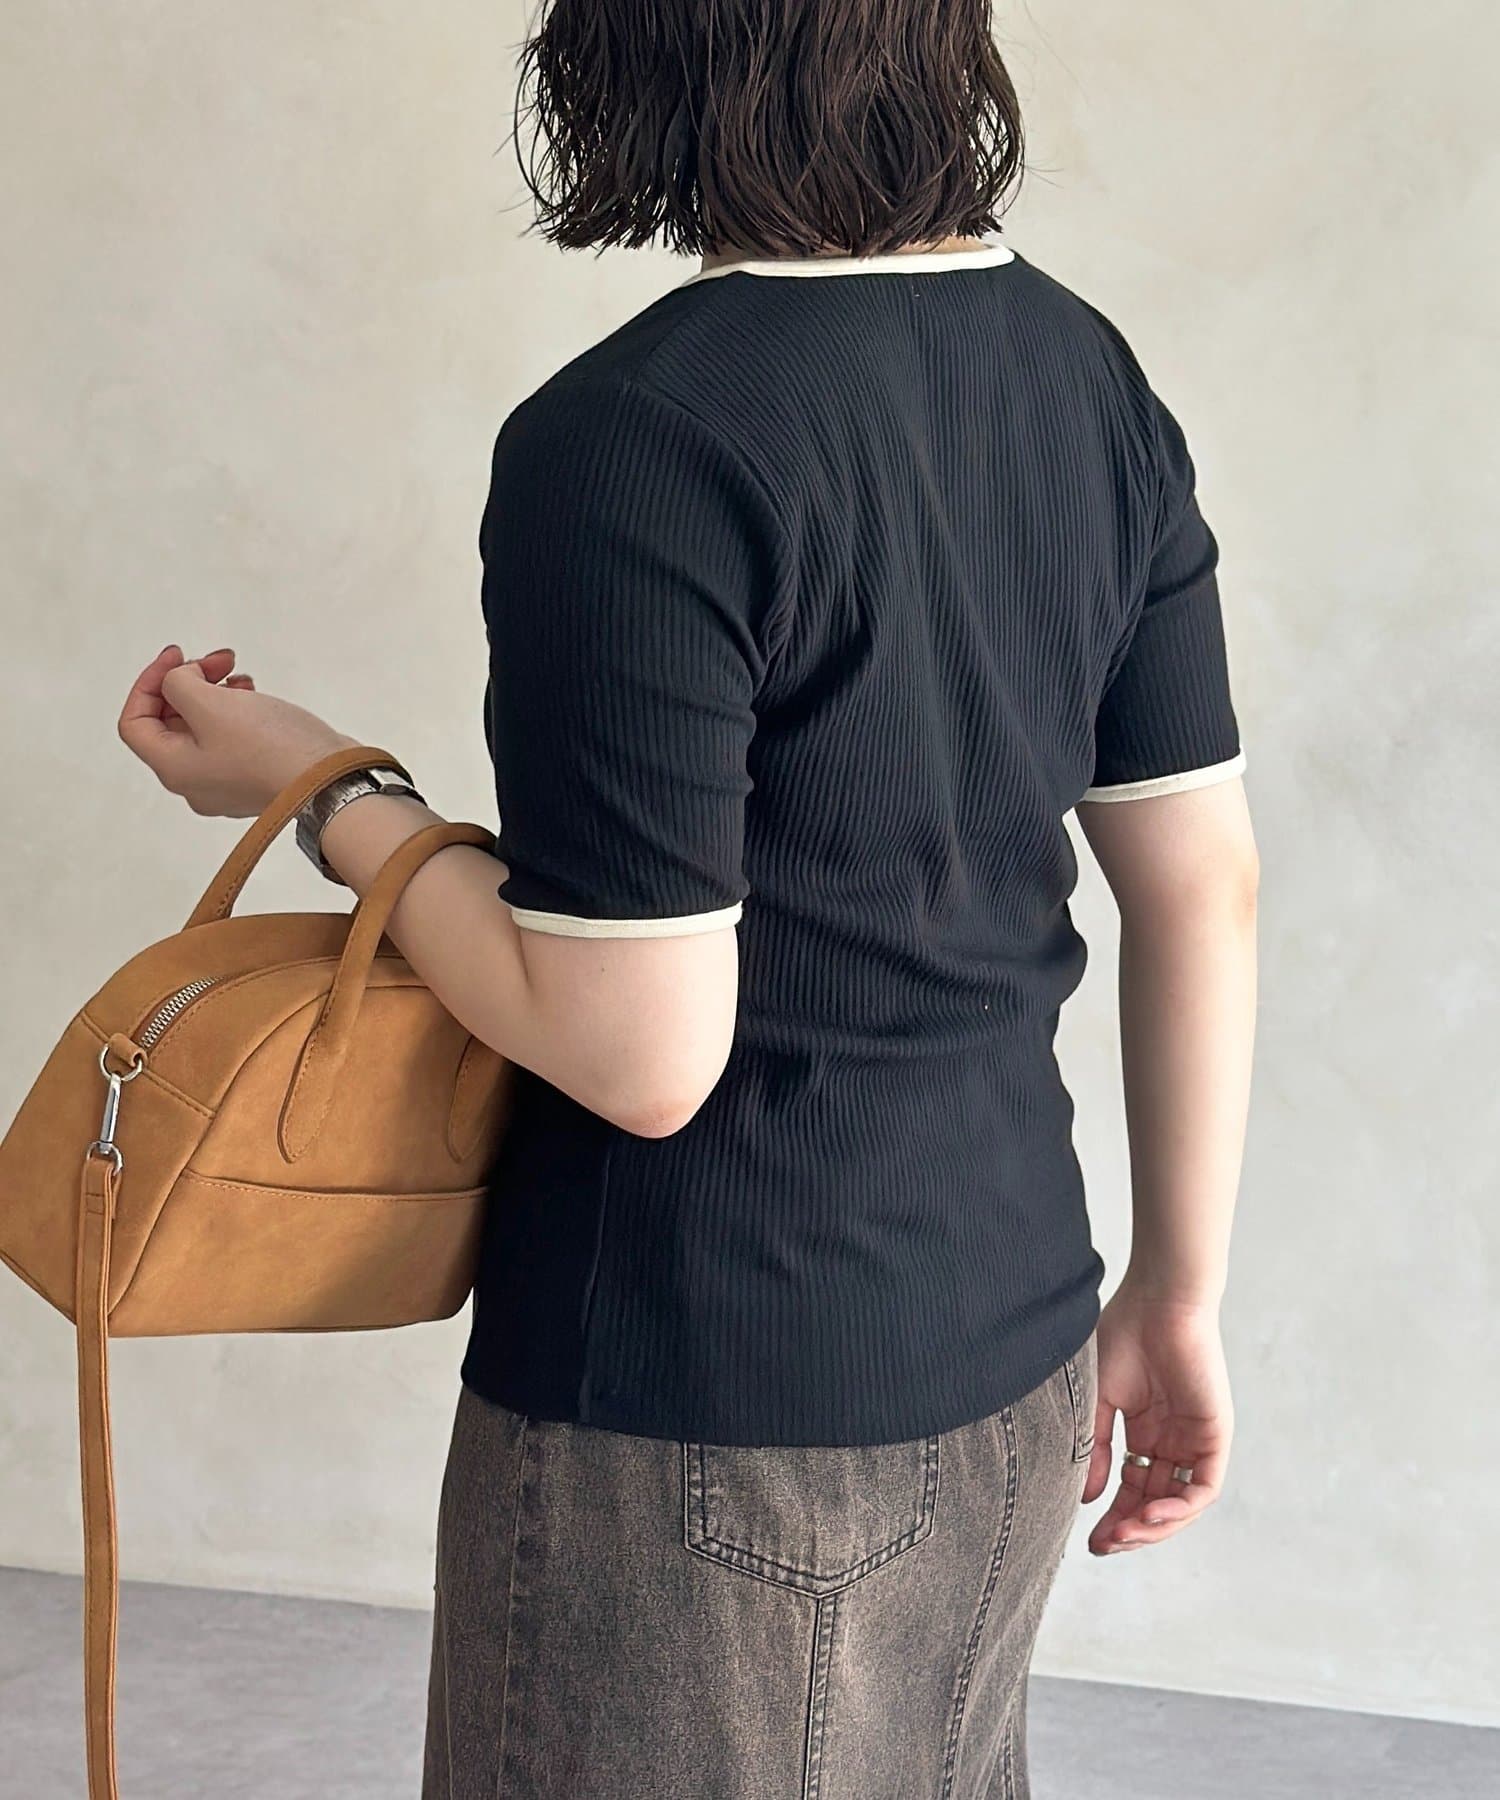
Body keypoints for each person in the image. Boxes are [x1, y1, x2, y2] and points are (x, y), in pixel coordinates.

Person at [117, 0, 1258, 1793]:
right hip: (1021, 1350)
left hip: (707, 1410)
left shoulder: (633, 436)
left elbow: (640, 1052)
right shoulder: (1085, 373)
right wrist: (1180, 1296)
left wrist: (327, 792)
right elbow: (1202, 884)